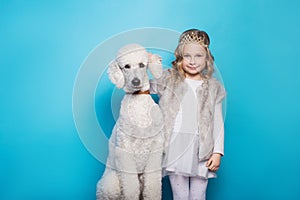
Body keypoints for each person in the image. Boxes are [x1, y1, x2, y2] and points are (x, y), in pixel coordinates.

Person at [150, 29, 226, 200]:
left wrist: (217, 152)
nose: (192, 61)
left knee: (199, 194)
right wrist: (148, 62)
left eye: (198, 56)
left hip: (202, 146)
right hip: (175, 144)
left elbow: (218, 122)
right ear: (179, 58)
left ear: (207, 58)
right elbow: (142, 87)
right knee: (180, 194)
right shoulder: (168, 80)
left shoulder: (213, 87)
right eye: (187, 56)